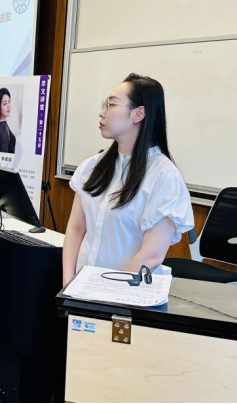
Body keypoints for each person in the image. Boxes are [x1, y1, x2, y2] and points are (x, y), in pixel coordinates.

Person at [63, 74, 195, 286]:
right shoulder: (92, 167)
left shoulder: (164, 177)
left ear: (138, 114)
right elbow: (76, 229)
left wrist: (107, 292)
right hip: (81, 288)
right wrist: (68, 282)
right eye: (105, 104)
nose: (102, 112)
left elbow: (151, 256)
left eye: (112, 104)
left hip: (126, 295)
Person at [0, 87, 16, 154]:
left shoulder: (0, 125)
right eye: (5, 104)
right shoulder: (3, 128)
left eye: (9, 101)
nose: (8, 106)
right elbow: (3, 156)